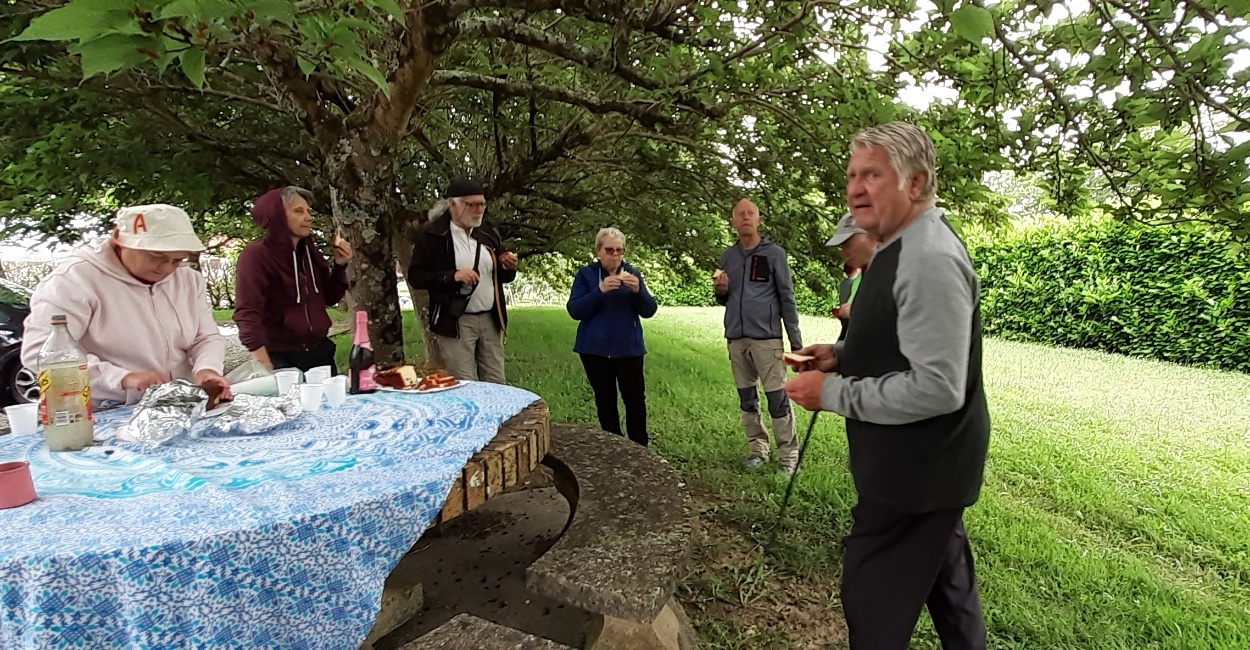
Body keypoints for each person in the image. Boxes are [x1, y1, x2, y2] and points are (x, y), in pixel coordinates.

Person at [784, 122, 990, 649]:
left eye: (872, 174)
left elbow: (938, 386)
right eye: (852, 174)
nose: (854, 187)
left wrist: (829, 395)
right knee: (950, 590)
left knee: (870, 600)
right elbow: (903, 342)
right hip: (925, 473)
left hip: (917, 476)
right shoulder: (894, 246)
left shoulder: (928, 259)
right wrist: (842, 355)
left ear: (915, 183)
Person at [21, 204, 229, 406]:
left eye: (177, 260)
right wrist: (122, 378)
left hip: (179, 402)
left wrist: (207, 369)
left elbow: (206, 337)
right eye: (156, 257)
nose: (166, 268)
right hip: (104, 408)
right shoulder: (73, 281)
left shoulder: (187, 280)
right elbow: (40, 353)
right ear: (121, 244)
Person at [713, 198, 803, 475]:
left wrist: (796, 343)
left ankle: (789, 457)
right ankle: (757, 450)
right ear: (733, 221)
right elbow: (722, 299)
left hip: (767, 339)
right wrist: (720, 290)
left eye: (750, 213)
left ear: (759, 219)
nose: (745, 218)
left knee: (777, 399)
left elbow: (786, 298)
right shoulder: (728, 256)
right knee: (747, 398)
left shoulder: (774, 254)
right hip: (736, 338)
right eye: (740, 214)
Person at [407, 178, 518, 383]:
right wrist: (453, 276)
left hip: (490, 318)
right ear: (453, 204)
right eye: (471, 204)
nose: (478, 210)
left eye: (482, 204)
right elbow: (416, 276)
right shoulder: (433, 236)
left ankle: (497, 416)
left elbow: (500, 278)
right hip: (455, 320)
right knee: (465, 384)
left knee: (497, 382)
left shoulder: (487, 233)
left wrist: (506, 266)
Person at [234, 186, 354, 373]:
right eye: (298, 211)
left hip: (319, 353)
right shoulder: (257, 255)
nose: (308, 217)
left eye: (308, 211)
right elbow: (247, 311)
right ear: (278, 215)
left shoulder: (309, 252)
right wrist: (261, 360)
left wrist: (340, 266)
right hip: (280, 356)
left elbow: (330, 297)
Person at [566, 228, 658, 446]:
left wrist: (638, 292)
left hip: (629, 349)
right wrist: (600, 290)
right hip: (594, 350)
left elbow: (649, 310)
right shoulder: (586, 274)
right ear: (598, 251)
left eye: (619, 250)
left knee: (635, 400)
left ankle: (639, 447)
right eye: (609, 250)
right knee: (605, 401)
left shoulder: (632, 273)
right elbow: (574, 310)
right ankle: (614, 445)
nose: (615, 255)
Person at [826, 212, 875, 341]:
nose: (843, 253)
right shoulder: (868, 274)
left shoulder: (898, 272)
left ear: (871, 237)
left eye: (847, 245)